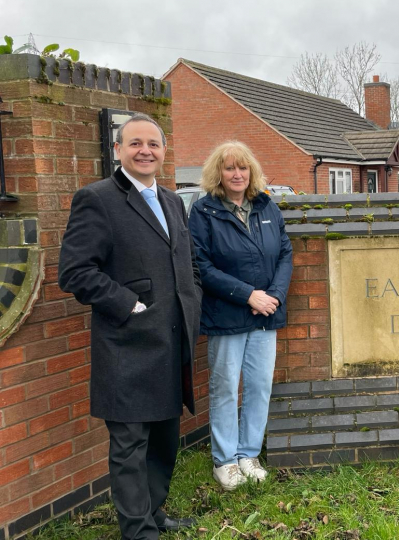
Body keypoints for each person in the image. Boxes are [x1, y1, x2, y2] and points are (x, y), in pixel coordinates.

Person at [59, 113, 202, 539]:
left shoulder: (173, 200)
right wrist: (130, 306)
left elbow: (186, 263)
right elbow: (75, 271)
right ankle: (138, 531)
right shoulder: (97, 198)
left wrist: (190, 300)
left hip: (170, 342)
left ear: (163, 151)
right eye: (135, 143)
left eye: (153, 144)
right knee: (129, 446)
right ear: (119, 150)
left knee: (163, 440)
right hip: (127, 345)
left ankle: (155, 514)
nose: (145, 151)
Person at [188, 141, 293, 491]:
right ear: (218, 173)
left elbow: (285, 254)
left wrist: (273, 297)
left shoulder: (267, 206)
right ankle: (226, 460)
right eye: (230, 168)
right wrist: (249, 295)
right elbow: (201, 265)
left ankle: (248, 454)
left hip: (266, 315)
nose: (237, 174)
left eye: (243, 167)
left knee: (260, 387)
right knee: (224, 389)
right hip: (226, 315)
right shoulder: (203, 212)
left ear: (251, 172)